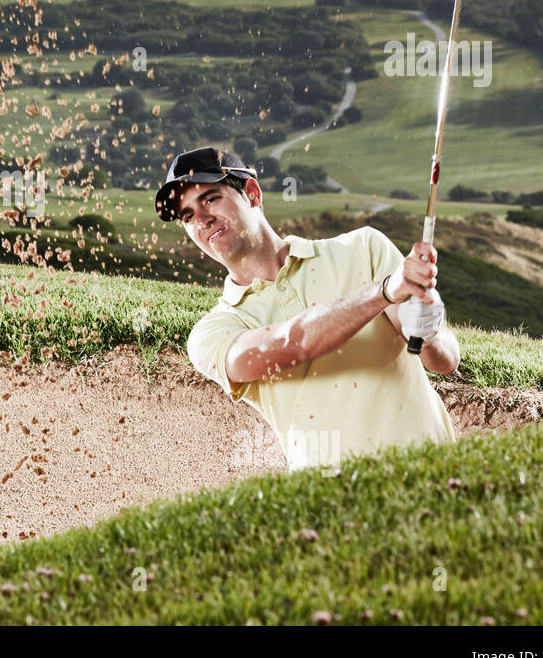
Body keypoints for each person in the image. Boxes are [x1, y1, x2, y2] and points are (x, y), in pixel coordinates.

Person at [155, 146, 459, 472]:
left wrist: (427, 330)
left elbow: (445, 360)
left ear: (253, 194)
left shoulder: (363, 248)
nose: (201, 220)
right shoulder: (212, 333)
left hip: (432, 475)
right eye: (187, 216)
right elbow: (292, 343)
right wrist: (383, 292)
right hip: (331, 503)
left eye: (210, 198)